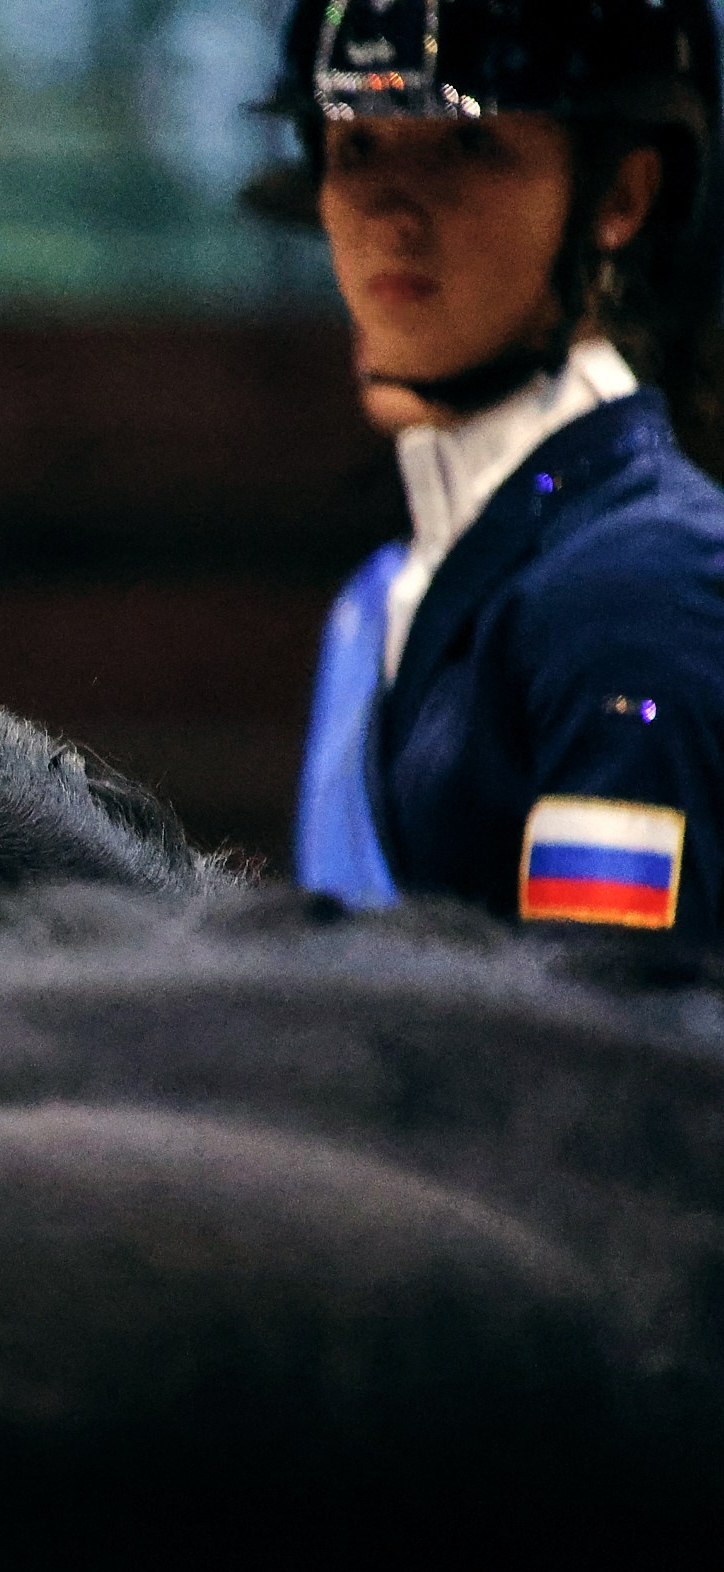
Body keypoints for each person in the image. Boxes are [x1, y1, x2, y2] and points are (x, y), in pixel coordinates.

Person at [278, 0, 724, 936]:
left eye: (465, 146)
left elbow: (608, 1039)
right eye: (356, 148)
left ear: (619, 199)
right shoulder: (401, 589)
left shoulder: (637, 585)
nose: (390, 208)